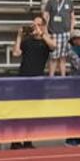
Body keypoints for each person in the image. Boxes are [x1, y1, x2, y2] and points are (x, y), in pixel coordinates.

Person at [11, 15, 56, 149]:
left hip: (37, 81)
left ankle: (28, 140)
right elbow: (16, 53)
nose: (34, 27)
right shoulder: (27, 40)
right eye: (33, 24)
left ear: (43, 26)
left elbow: (53, 47)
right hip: (23, 79)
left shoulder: (46, 41)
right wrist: (19, 36)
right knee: (20, 112)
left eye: (38, 24)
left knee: (33, 112)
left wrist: (42, 33)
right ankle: (15, 141)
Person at [44, 0, 75, 76]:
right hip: (54, 32)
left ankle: (63, 77)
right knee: (53, 57)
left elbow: (72, 16)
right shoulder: (51, 1)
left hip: (65, 32)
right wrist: (46, 31)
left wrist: (71, 29)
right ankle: (51, 77)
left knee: (63, 57)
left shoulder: (69, 1)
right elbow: (46, 16)